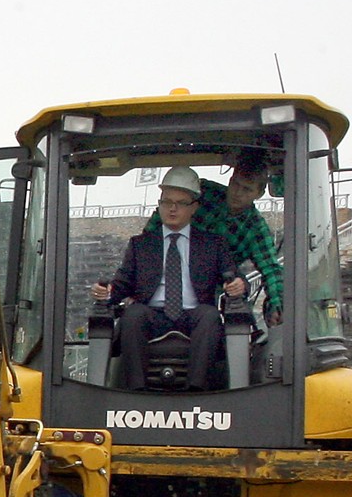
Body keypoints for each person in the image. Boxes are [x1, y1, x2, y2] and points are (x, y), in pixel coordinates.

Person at [92, 166, 244, 391]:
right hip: (153, 316)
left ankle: (196, 389)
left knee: (210, 315)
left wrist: (240, 285)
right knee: (132, 314)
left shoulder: (213, 244)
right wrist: (108, 292)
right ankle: (136, 390)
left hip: (194, 315)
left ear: (194, 208)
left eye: (181, 203)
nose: (172, 209)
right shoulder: (141, 244)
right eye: (166, 202)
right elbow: (123, 283)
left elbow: (234, 276)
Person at [144, 150, 282, 326]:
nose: (238, 193)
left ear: (259, 193)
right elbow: (154, 228)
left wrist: (277, 304)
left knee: (236, 309)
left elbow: (271, 268)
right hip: (165, 270)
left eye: (246, 189)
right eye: (235, 184)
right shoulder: (202, 193)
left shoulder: (256, 229)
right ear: (230, 180)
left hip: (210, 288)